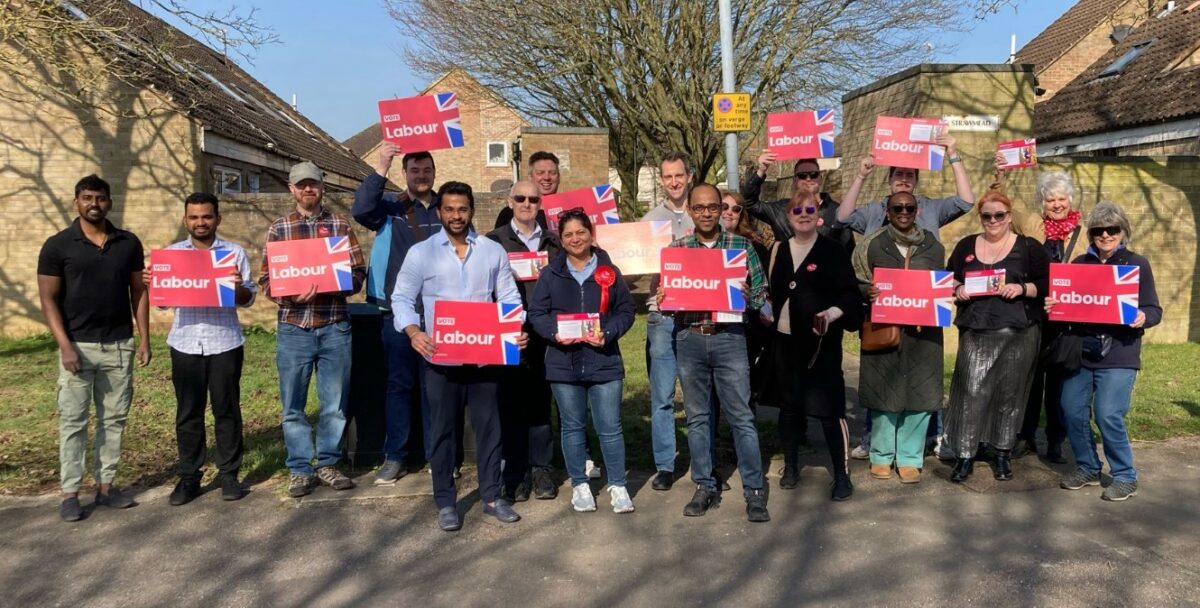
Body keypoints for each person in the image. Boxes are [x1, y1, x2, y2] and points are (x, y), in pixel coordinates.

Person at [393, 181, 528, 531]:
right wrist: (414, 332)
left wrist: (514, 329)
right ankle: (445, 502)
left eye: (462, 209)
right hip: (441, 358)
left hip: (485, 357)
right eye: (450, 209)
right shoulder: (421, 253)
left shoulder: (492, 251)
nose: (456, 216)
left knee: (490, 429)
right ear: (440, 212)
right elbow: (401, 298)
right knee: (443, 432)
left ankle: (493, 497)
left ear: (471, 211)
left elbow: (509, 296)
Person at [837, 135, 977, 461]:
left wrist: (953, 153)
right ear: (889, 180)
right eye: (898, 174)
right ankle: (874, 438)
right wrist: (861, 174)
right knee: (882, 368)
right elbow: (842, 218)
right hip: (886, 306)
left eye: (910, 175)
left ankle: (933, 436)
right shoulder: (875, 211)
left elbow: (967, 202)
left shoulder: (931, 207)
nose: (904, 179)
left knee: (924, 371)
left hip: (921, 306)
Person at [37, 174, 151, 522]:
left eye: (100, 198)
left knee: (113, 420)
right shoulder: (57, 245)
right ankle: (70, 493)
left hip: (118, 345)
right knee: (73, 421)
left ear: (109, 202)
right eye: (87, 198)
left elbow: (139, 292)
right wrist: (65, 346)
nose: (94, 204)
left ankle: (106, 487)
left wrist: (144, 338)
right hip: (77, 346)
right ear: (76, 202)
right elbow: (48, 299)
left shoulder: (127, 243)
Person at [655, 182, 770, 522]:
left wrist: (749, 296)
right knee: (698, 418)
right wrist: (663, 298)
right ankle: (705, 485)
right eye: (699, 207)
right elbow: (669, 300)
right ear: (690, 210)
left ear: (721, 209)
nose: (706, 213)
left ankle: (754, 490)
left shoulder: (740, 246)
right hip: (690, 338)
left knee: (741, 417)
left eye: (713, 207)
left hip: (729, 338)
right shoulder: (677, 249)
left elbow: (762, 294)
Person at [259, 161, 367, 498]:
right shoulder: (279, 229)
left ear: (322, 186)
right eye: (301, 184)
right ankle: (300, 468)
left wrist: (338, 283)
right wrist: (289, 294)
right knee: (293, 405)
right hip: (294, 328)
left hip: (334, 325)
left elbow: (359, 274)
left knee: (334, 404)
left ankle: (328, 463)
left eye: (314, 184)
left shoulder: (339, 225)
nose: (308, 189)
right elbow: (266, 280)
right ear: (291, 189)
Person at [144, 192, 255, 505]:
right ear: (185, 220)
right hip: (185, 342)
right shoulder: (172, 255)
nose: (200, 222)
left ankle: (229, 475)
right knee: (188, 413)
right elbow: (162, 303)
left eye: (206, 216)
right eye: (194, 217)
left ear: (218, 218)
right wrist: (153, 283)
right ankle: (190, 478)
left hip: (225, 341)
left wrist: (237, 288)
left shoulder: (234, 253)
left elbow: (248, 299)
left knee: (227, 411)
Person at [1050, 202, 1161, 501]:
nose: (1105, 235)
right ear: (1091, 234)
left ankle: (1125, 475)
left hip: (1120, 353)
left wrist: (1143, 316)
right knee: (1071, 410)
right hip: (1081, 352)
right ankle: (1088, 466)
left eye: (1112, 229)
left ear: (1122, 231)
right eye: (1099, 230)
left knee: (1108, 414)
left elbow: (1154, 309)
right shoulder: (1079, 265)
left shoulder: (1136, 264)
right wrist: (1055, 305)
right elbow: (1067, 305)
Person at [528, 209, 636, 513]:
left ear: (591, 234)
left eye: (581, 232)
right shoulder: (550, 274)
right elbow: (537, 313)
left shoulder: (609, 271)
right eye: (568, 234)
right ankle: (580, 485)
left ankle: (618, 485)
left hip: (604, 360)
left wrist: (609, 333)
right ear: (560, 240)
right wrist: (554, 333)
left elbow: (626, 310)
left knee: (610, 428)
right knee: (572, 427)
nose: (575, 239)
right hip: (563, 363)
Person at [352, 143, 443, 484]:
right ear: (404, 174)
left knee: (435, 388)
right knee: (399, 385)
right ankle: (395, 457)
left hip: (439, 313)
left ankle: (437, 456)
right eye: (415, 170)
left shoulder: (445, 207)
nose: (421, 176)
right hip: (398, 313)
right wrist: (382, 165)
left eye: (427, 170)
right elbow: (361, 209)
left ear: (434, 173)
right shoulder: (390, 207)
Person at [763, 192, 863, 500]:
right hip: (785, 341)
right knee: (789, 408)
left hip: (820, 344)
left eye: (810, 209)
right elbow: (772, 291)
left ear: (818, 215)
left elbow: (850, 294)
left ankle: (842, 475)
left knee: (829, 410)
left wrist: (832, 313)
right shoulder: (780, 249)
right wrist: (766, 310)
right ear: (789, 216)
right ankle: (791, 466)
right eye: (797, 210)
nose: (804, 214)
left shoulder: (832, 250)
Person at [943, 191, 1049, 483]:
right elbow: (947, 276)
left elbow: (1047, 283)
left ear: (1009, 216)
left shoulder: (1028, 247)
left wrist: (1022, 288)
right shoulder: (966, 245)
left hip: (1019, 331)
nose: (993, 220)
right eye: (987, 215)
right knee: (971, 392)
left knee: (1009, 395)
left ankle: (1002, 453)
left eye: (999, 215)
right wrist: (957, 288)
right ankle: (965, 455)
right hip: (976, 329)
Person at [851, 191, 945, 485]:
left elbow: (940, 282)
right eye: (897, 208)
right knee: (883, 393)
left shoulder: (933, 246)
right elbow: (854, 280)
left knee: (920, 396)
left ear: (917, 211)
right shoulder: (872, 244)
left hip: (923, 333)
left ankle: (909, 458)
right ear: (887, 212)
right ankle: (881, 455)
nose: (903, 212)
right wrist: (866, 291)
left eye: (909, 208)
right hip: (884, 329)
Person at [486, 180, 562, 501]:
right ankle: (516, 472)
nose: (527, 204)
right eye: (521, 198)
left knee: (540, 403)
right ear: (510, 201)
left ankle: (542, 468)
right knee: (511, 403)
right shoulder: (493, 241)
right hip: (510, 332)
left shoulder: (554, 242)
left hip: (545, 331)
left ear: (540, 204)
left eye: (533, 199)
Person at [1010, 171, 1084, 463]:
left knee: (1058, 383)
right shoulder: (1033, 224)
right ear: (1042, 202)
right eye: (1050, 199)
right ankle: (1026, 436)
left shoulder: (1083, 232)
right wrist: (1001, 173)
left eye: (1061, 198)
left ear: (1070, 200)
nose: (1056, 204)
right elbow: (1001, 207)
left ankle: (1055, 440)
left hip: (1066, 318)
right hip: (1034, 313)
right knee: (1029, 380)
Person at [640, 151, 696, 491]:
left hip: (696, 316)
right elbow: (635, 266)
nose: (674, 181)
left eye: (678, 175)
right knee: (661, 396)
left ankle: (703, 461)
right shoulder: (649, 220)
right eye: (667, 176)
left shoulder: (702, 212)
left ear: (689, 176)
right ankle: (664, 464)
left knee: (697, 395)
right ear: (661, 180)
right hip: (662, 316)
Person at [742, 153, 854, 253]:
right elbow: (748, 202)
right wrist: (761, 170)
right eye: (802, 175)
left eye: (813, 174)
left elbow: (848, 249)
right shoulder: (781, 209)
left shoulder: (837, 211)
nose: (808, 179)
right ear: (795, 180)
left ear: (820, 179)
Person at [493, 151, 555, 230]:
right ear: (530, 177)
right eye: (540, 173)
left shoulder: (567, 210)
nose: (547, 177)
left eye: (552, 173)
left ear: (559, 177)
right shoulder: (510, 213)